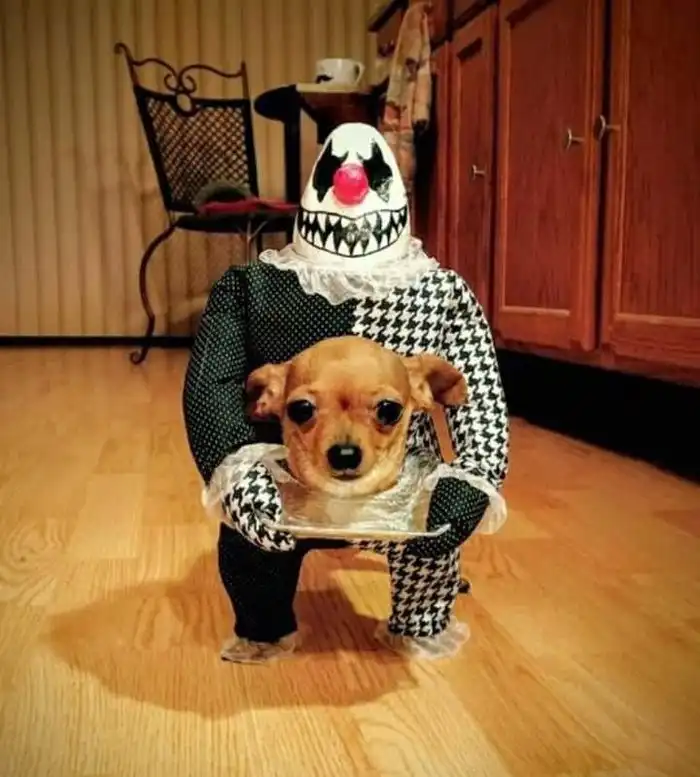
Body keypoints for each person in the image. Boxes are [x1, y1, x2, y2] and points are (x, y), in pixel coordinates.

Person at [182, 122, 509, 663]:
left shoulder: (444, 296)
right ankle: (263, 627)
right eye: (305, 410)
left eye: (384, 411)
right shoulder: (248, 291)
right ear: (268, 399)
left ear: (422, 391)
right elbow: (211, 390)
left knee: (428, 543)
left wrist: (473, 479)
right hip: (286, 482)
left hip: (402, 485)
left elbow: (481, 403)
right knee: (252, 547)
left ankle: (421, 619)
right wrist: (236, 472)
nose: (345, 443)